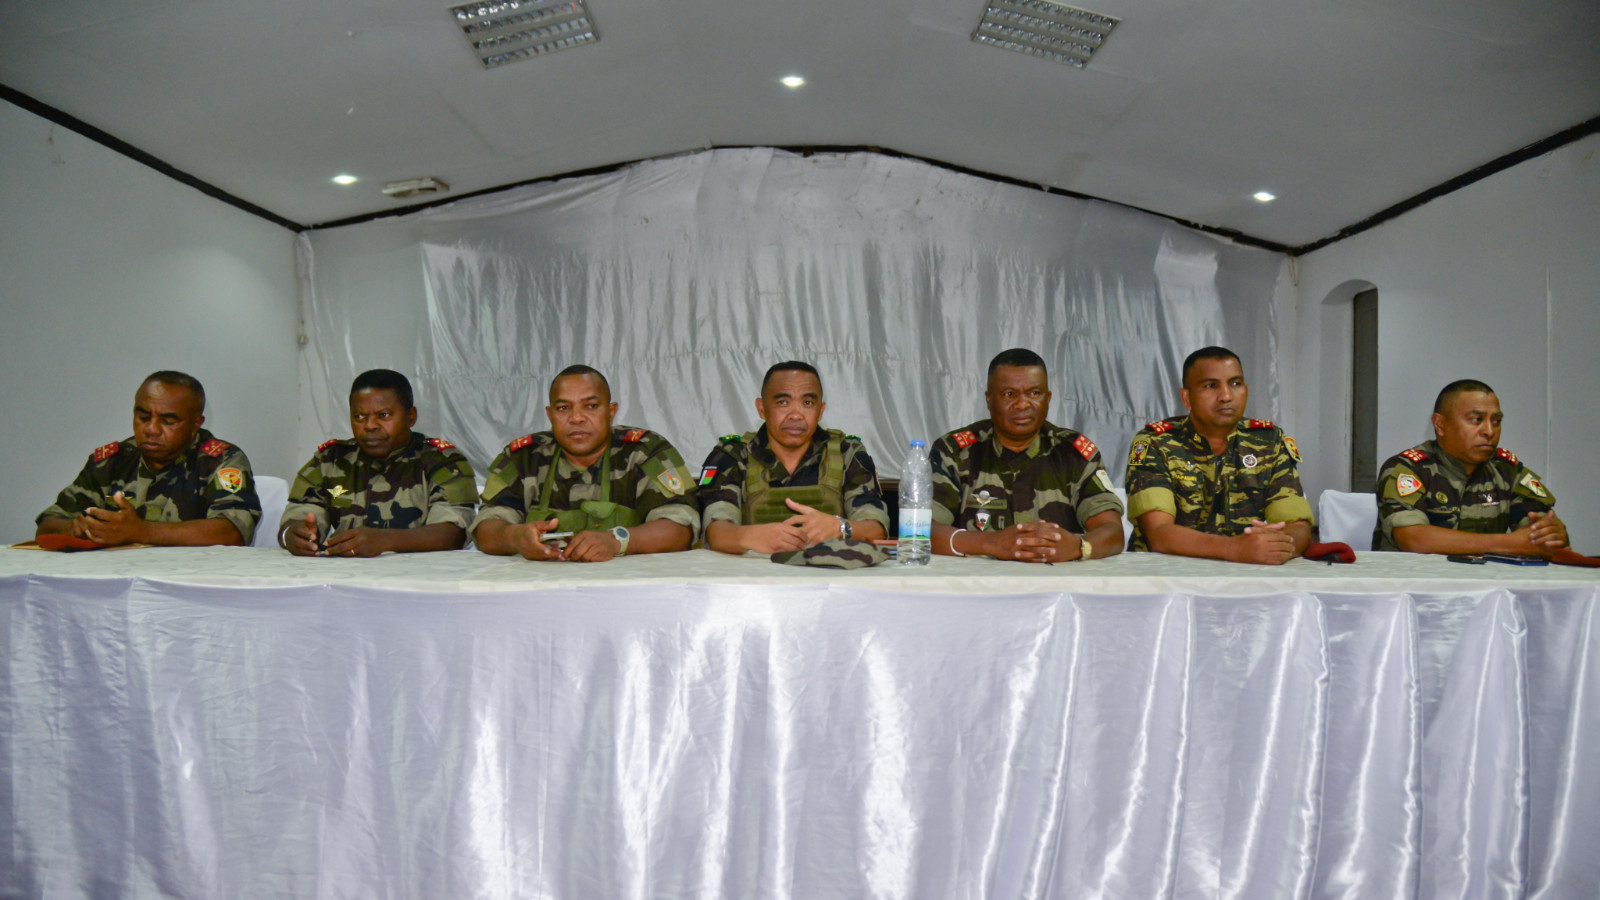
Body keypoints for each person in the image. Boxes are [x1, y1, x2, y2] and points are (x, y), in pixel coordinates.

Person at [471, 365, 697, 561]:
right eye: (563, 408)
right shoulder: (523, 457)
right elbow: (486, 528)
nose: (576, 418)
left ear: (611, 412)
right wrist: (516, 538)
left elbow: (680, 528)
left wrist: (617, 541)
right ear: (550, 415)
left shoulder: (645, 452)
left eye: (590, 406)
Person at [929, 348, 1124, 562]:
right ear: (988, 399)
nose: (1022, 405)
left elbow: (1112, 531)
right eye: (1009, 394)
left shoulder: (1073, 453)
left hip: (1057, 584)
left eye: (1034, 393)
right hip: (978, 586)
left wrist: (1079, 547)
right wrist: (991, 543)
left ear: (1048, 398)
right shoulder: (954, 452)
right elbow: (921, 530)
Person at [1125, 346, 1313, 564]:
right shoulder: (1157, 442)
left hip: (1247, 576)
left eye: (1235, 384)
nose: (1226, 396)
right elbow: (1158, 533)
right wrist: (1234, 549)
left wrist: (1277, 546)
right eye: (1211, 385)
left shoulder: (1269, 441)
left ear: (1246, 389)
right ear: (1186, 398)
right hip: (1167, 576)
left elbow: (1297, 526)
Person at [35, 371, 261, 546]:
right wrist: (76, 527)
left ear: (195, 425)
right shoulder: (111, 461)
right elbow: (47, 524)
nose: (151, 429)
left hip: (190, 584)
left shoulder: (221, 461)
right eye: (143, 417)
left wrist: (140, 531)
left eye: (168, 421)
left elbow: (232, 531)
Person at [279, 369, 478, 557]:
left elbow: (453, 533)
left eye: (383, 415)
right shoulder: (330, 460)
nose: (370, 426)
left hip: (419, 579)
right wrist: (295, 534)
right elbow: (298, 517)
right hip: (345, 576)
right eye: (359, 417)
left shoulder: (442, 461)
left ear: (411, 417)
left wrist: (386, 540)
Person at [698, 361, 890, 554]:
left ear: (820, 411)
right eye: (783, 402)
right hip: (754, 579)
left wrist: (842, 528)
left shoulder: (846, 453)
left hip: (829, 576)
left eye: (807, 403)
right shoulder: (732, 455)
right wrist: (751, 536)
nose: (796, 415)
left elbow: (876, 528)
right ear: (762, 408)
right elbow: (716, 532)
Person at [1373, 379, 1567, 555]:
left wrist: (1553, 534)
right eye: (1477, 420)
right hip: (1417, 587)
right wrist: (1507, 543)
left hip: (1487, 587)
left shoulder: (1506, 470)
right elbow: (1414, 539)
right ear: (1440, 424)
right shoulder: (1409, 469)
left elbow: (1539, 533)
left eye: (1496, 421)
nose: (1489, 431)